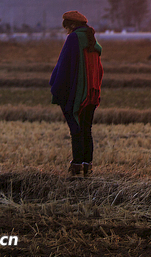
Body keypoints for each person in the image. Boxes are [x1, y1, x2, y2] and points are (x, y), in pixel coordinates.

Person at [50, 10, 103, 176]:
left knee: (76, 129)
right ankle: (87, 165)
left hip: (77, 93)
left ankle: (77, 165)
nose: (67, 31)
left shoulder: (73, 38)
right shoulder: (92, 41)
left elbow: (63, 66)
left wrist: (55, 88)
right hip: (92, 93)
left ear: (71, 25)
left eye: (67, 27)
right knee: (87, 128)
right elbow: (99, 70)